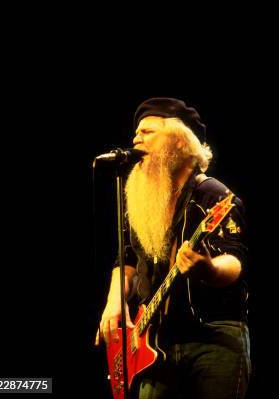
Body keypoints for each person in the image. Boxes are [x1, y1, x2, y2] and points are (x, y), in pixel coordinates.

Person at [95, 98, 250, 399]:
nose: (135, 139)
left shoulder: (214, 195)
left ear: (180, 142)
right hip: (156, 341)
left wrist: (209, 268)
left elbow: (235, 258)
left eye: (147, 132)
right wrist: (114, 303)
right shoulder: (141, 200)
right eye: (136, 133)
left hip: (213, 338)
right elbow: (126, 259)